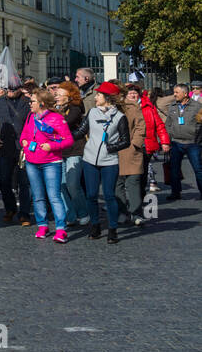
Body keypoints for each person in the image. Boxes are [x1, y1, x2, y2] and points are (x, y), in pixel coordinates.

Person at [19, 87, 75, 243]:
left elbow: (68, 140)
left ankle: (61, 228)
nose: (30, 104)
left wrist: (53, 146)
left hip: (51, 162)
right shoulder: (31, 116)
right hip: (32, 161)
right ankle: (42, 225)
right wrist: (23, 142)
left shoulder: (56, 118)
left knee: (54, 196)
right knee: (37, 196)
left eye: (33, 101)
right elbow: (24, 134)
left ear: (42, 103)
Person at [84, 81, 131, 243]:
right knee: (91, 195)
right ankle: (95, 225)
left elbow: (126, 141)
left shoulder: (120, 117)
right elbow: (81, 131)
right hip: (89, 159)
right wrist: (63, 137)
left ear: (107, 98)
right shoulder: (91, 113)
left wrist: (111, 147)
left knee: (109, 195)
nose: (95, 97)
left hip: (109, 161)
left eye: (98, 95)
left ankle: (112, 229)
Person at [0, 79, 34, 225]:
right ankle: (10, 208)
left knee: (24, 182)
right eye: (8, 87)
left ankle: (24, 213)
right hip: (6, 146)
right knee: (4, 181)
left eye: (13, 87)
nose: (10, 90)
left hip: (23, 147)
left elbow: (33, 121)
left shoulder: (27, 102)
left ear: (20, 88)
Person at [53, 81, 90, 226]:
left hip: (75, 150)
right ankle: (70, 214)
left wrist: (53, 116)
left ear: (69, 96)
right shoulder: (54, 108)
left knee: (72, 184)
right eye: (56, 94)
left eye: (60, 94)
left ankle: (83, 212)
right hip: (58, 151)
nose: (56, 96)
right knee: (61, 185)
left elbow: (65, 123)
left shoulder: (75, 108)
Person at [158, 84, 202, 201]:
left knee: (198, 169)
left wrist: (198, 138)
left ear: (185, 94)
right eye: (174, 92)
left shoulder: (197, 106)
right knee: (174, 169)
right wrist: (167, 141)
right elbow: (168, 124)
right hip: (176, 143)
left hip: (193, 143)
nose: (174, 94)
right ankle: (175, 192)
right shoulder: (173, 106)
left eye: (177, 92)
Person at [117, 85, 148, 226]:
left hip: (131, 150)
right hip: (113, 151)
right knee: (117, 183)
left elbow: (141, 126)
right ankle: (122, 212)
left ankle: (136, 213)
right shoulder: (105, 108)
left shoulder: (132, 106)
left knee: (133, 182)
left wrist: (135, 143)